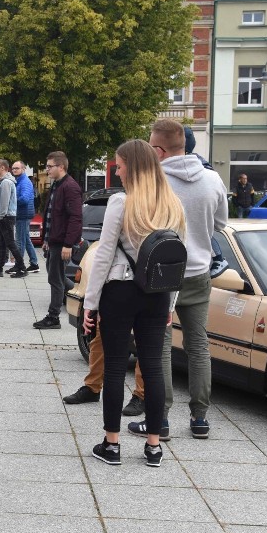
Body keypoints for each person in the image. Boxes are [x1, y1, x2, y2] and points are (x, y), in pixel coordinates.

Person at [82, 138, 187, 467]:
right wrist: (170, 306)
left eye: (121, 164)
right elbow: (177, 262)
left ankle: (111, 444)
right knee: (153, 368)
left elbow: (103, 256)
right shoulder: (172, 203)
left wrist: (90, 302)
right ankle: (154, 447)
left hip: (120, 291)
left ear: (134, 166)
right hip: (157, 296)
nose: (118, 170)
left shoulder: (121, 203)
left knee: (114, 367)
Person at [127, 119, 228, 442]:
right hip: (199, 271)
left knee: (160, 348)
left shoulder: (154, 181)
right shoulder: (212, 179)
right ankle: (200, 418)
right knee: (198, 345)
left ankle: (162, 420)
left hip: (163, 274)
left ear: (158, 150)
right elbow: (221, 224)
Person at [34, 151, 82, 330]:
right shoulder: (56, 185)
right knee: (57, 277)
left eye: (50, 166)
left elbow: (75, 218)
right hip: (54, 241)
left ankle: (53, 317)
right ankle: (81, 296)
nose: (47, 170)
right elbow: (51, 215)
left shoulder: (70, 187)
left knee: (55, 279)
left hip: (63, 243)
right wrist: (46, 238)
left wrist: (68, 244)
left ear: (61, 167)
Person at [0, 159, 26, 278]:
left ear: (3, 168)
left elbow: (4, 202)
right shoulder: (3, 181)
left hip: (6, 217)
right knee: (2, 243)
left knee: (10, 243)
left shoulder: (5, 183)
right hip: (5, 216)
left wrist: (0, 216)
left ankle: (22, 267)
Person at [11, 161, 40, 274]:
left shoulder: (25, 182)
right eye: (13, 168)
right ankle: (34, 263)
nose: (14, 170)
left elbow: (24, 199)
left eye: (17, 168)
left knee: (20, 241)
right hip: (22, 214)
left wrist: (11, 201)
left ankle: (19, 265)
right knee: (26, 239)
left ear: (23, 169)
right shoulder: (18, 181)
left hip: (23, 215)